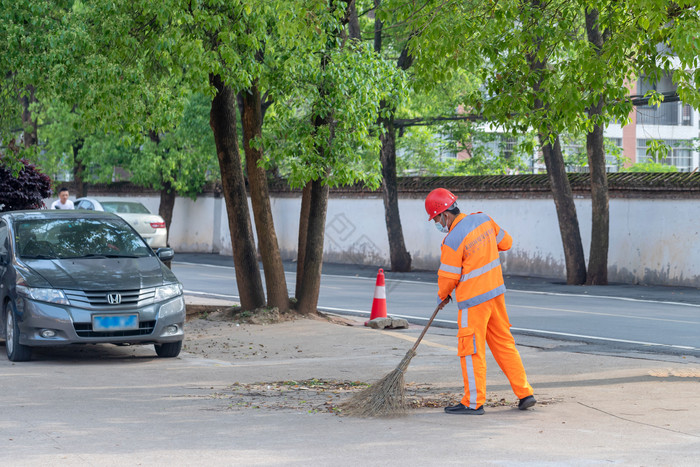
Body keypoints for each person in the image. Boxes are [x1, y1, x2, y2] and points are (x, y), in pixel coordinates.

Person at [425, 188, 535, 415]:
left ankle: (473, 402)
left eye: (436, 219)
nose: (437, 224)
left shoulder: (452, 240)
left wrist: (442, 296)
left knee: (471, 350)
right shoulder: (484, 220)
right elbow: (506, 243)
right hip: (495, 295)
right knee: (504, 344)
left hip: (473, 302)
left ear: (445, 215)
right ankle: (525, 394)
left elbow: (448, 277)